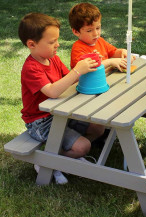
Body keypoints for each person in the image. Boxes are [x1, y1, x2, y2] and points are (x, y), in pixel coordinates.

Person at [18, 13, 105, 184]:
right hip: (40, 122)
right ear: (32, 44)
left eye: (57, 40)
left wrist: (89, 63)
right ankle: (47, 162)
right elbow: (52, 92)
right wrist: (77, 71)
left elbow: (71, 80)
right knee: (83, 147)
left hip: (60, 113)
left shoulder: (53, 59)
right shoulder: (31, 68)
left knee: (98, 128)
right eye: (52, 42)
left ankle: (66, 156)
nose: (57, 45)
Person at [68, 2, 135, 72]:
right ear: (76, 32)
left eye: (98, 28)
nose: (95, 33)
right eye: (89, 31)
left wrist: (123, 52)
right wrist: (110, 62)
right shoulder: (78, 49)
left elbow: (113, 52)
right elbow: (87, 71)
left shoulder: (100, 41)